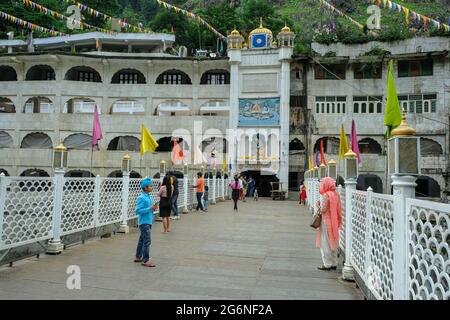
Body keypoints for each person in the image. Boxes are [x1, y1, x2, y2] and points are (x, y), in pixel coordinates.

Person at [316, 177, 342, 271]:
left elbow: (323, 210)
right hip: (334, 221)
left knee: (325, 243)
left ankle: (327, 264)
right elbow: (339, 208)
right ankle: (334, 263)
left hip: (326, 222)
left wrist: (318, 205)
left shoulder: (326, 195)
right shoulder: (336, 194)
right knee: (333, 241)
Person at [134, 177, 158, 267]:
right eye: (150, 186)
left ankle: (138, 256)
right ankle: (145, 260)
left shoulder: (148, 196)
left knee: (142, 240)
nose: (152, 187)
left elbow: (149, 209)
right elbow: (137, 211)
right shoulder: (141, 198)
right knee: (147, 241)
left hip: (148, 221)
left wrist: (153, 208)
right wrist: (150, 208)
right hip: (144, 222)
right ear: (145, 188)